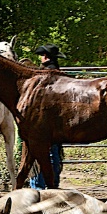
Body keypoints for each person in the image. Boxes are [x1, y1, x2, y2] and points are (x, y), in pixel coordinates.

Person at [27, 44, 66, 189]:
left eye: (42, 54)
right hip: (57, 122)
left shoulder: (44, 74)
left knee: (42, 155)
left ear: (45, 57)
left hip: (44, 122)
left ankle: (38, 187)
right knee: (54, 155)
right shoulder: (58, 72)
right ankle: (53, 186)